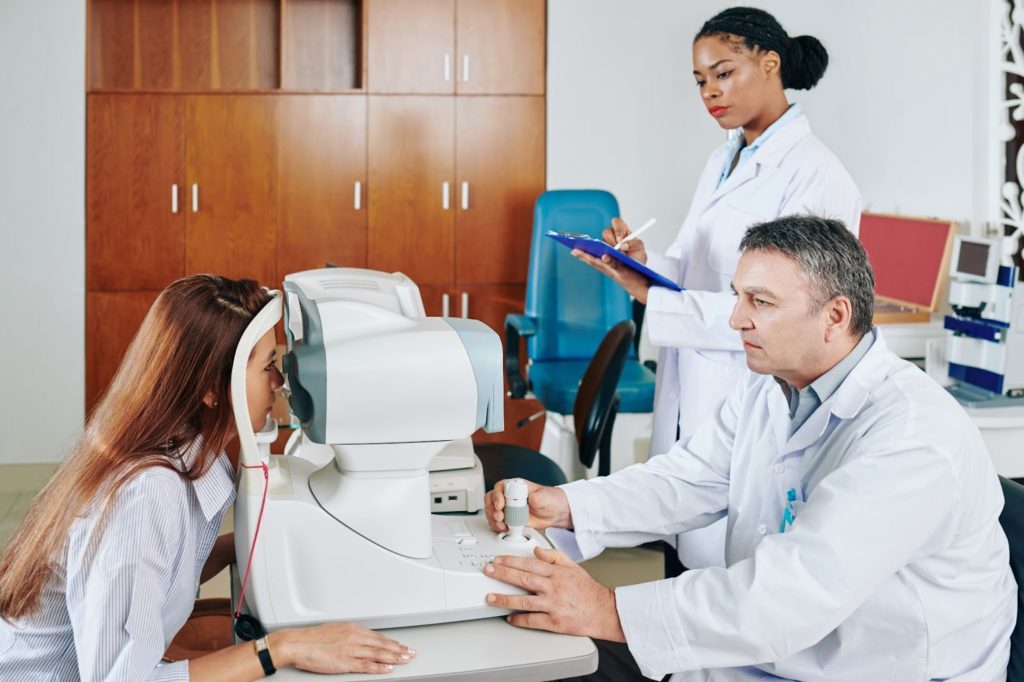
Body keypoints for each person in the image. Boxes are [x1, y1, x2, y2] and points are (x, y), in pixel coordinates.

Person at [485, 216, 1016, 681]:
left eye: (759, 302)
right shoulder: (773, 383)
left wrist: (607, 609)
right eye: (738, 296)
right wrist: (569, 505)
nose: (736, 319)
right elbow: (690, 477)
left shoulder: (912, 435)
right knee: (541, 659)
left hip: (879, 668)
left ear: (835, 316)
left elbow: (793, 594)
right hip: (773, 654)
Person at [0, 275, 414, 680]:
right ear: (214, 388)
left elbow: (165, 572)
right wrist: (283, 648)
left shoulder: (198, 452)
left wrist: (253, 543)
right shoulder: (145, 494)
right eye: (268, 366)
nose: (281, 381)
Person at [574, 7, 861, 570]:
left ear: (770, 63)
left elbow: (786, 313)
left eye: (724, 73)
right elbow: (692, 261)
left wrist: (654, 299)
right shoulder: (724, 158)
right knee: (682, 552)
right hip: (693, 384)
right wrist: (643, 263)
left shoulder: (815, 174)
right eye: (701, 80)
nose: (710, 91)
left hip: (748, 392)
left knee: (727, 576)